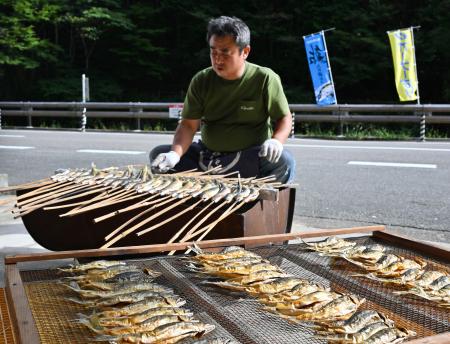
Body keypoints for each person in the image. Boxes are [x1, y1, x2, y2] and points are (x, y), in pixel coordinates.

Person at [151, 16, 295, 183]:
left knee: (284, 162)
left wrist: (276, 141)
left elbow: (284, 118)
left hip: (250, 156)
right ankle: (212, 183)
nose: (218, 59)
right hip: (208, 158)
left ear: (245, 52)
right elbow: (188, 125)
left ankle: (248, 195)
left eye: (225, 52)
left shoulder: (264, 78)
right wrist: (174, 154)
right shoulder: (201, 80)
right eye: (213, 52)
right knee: (159, 154)